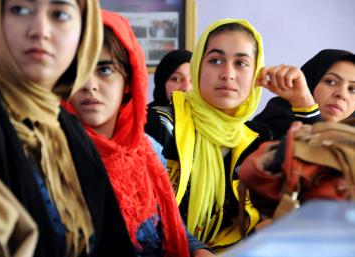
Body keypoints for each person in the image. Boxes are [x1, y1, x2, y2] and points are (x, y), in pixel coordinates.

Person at [0, 0, 135, 256]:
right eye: (20, 10)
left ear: (83, 32)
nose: (40, 30)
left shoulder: (68, 129)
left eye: (60, 14)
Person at [65, 10, 214, 257]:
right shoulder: (50, 154)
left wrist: (200, 251)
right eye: (79, 69)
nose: (90, 85)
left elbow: (168, 224)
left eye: (104, 70)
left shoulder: (147, 149)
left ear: (127, 82)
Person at [144, 18, 272, 249]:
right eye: (215, 60)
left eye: (241, 63)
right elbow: (141, 210)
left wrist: (303, 103)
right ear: (198, 68)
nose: (227, 74)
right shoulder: (158, 124)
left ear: (256, 74)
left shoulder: (257, 139)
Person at [254, 49, 355, 140]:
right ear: (309, 81)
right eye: (330, 81)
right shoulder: (274, 124)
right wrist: (305, 105)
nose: (342, 94)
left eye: (352, 89)